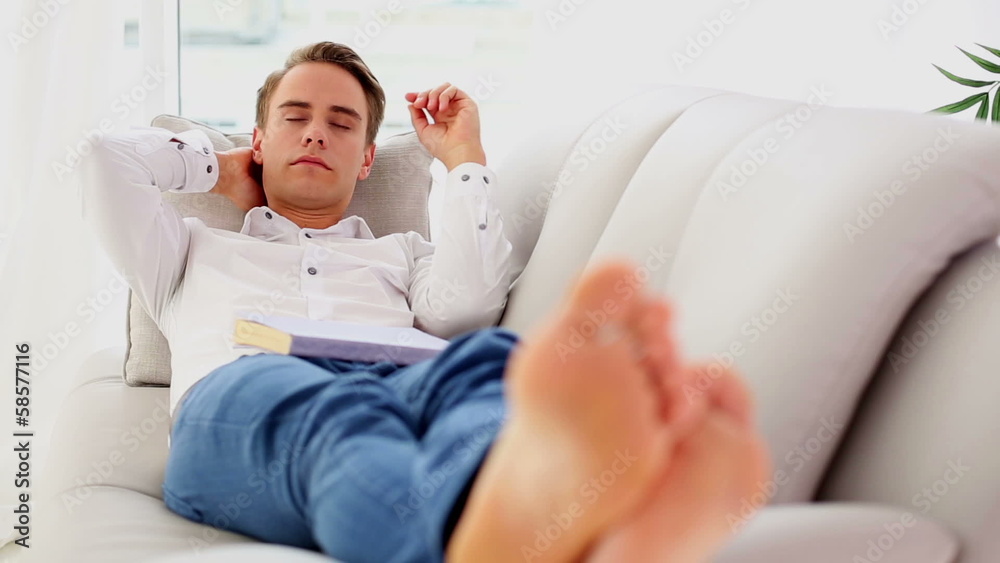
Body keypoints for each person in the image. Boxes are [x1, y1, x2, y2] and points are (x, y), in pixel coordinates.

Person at [83, 41, 770, 562]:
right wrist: (220, 165)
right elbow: (104, 159)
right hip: (245, 396)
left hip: (404, 383)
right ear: (260, 141)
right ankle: (490, 536)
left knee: (489, 356)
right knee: (339, 416)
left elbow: (467, 307)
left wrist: (462, 157)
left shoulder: (400, 253)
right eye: (295, 117)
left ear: (368, 160)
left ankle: (569, 507)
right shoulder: (187, 249)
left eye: (341, 123)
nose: (317, 132)